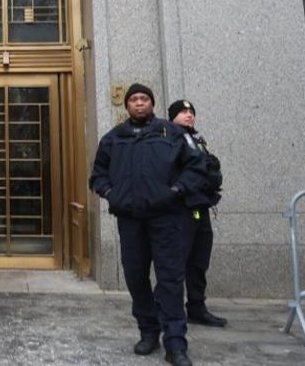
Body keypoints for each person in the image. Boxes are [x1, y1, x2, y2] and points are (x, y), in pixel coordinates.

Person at [89, 84, 208, 366]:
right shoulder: (113, 138)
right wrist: (111, 194)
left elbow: (196, 167)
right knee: (135, 276)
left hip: (166, 218)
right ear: (127, 106)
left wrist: (176, 191)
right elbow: (98, 175)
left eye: (144, 98)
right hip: (130, 219)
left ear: (152, 103)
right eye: (134, 99)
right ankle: (148, 331)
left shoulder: (173, 133)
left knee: (170, 279)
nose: (139, 103)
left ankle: (176, 344)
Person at [168, 99, 227, 328]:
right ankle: (170, 309)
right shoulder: (169, 140)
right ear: (172, 117)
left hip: (201, 207)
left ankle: (197, 307)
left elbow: (209, 174)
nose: (189, 115)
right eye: (183, 111)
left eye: (191, 111)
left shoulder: (197, 141)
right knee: (177, 262)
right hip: (182, 209)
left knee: (199, 260)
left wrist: (213, 172)